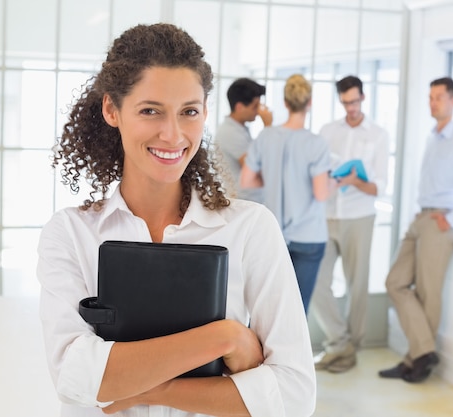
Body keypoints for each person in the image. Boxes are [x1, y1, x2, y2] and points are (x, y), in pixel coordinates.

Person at [37, 23, 316, 417]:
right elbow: (76, 379)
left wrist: (150, 388)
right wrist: (225, 337)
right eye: (150, 110)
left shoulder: (252, 228)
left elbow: (295, 396)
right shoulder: (70, 234)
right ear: (111, 110)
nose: (173, 134)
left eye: (189, 112)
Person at [379, 76, 453, 383]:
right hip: (421, 217)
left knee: (428, 293)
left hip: (440, 223)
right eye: (430, 97)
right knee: (395, 282)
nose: (433, 102)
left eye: (438, 97)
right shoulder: (432, 137)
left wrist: (450, 219)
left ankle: (415, 360)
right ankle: (424, 352)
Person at [310, 75, 390, 374]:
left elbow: (380, 186)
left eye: (355, 101)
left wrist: (356, 180)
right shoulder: (327, 131)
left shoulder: (379, 135)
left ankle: (350, 351)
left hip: (360, 217)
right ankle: (338, 342)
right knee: (317, 281)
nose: (351, 107)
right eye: (345, 103)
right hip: (327, 215)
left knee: (357, 285)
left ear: (363, 98)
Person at [241, 73, 331, 313]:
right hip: (308, 237)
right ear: (309, 103)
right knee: (297, 313)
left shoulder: (266, 136)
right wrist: (335, 182)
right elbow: (321, 194)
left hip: (274, 233)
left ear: (285, 103)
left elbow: (247, 179)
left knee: (268, 310)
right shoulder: (316, 143)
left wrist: (272, 179)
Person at [214, 78, 273, 203]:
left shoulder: (240, 129)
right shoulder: (230, 132)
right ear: (240, 107)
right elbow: (254, 170)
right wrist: (267, 127)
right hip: (241, 202)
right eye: (255, 106)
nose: (258, 112)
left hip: (248, 200)